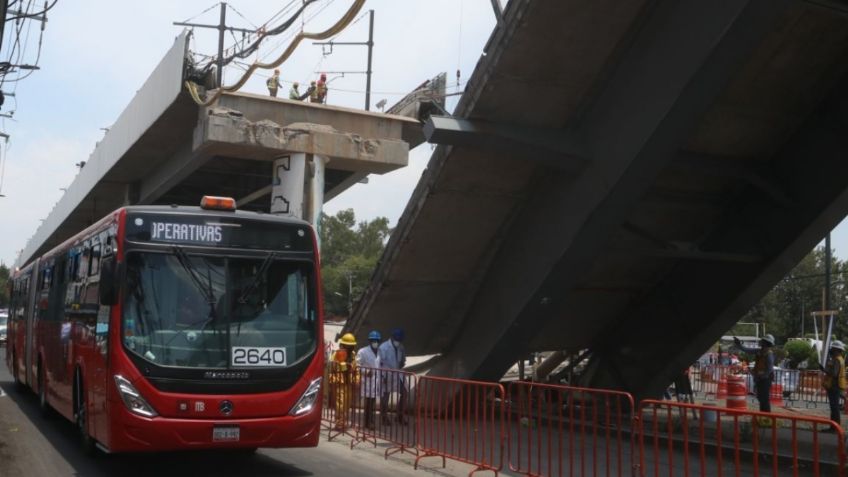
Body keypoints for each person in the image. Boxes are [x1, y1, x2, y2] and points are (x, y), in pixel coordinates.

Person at [733, 334, 776, 412]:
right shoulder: (759, 351)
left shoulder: (769, 354)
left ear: (766, 343)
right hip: (760, 378)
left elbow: (769, 368)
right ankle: (763, 415)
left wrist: (763, 376)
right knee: (760, 397)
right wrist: (739, 344)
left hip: (765, 379)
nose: (761, 342)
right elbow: (746, 350)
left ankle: (766, 416)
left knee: (764, 398)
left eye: (763, 341)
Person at [379, 328, 407, 425]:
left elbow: (403, 360)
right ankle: (384, 416)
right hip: (387, 374)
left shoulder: (401, 347)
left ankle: (399, 415)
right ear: (392, 337)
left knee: (405, 392)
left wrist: (401, 364)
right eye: (396, 339)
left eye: (399, 340)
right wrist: (383, 375)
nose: (397, 342)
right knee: (386, 395)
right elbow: (379, 363)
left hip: (398, 373)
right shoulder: (383, 347)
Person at [330, 332, 357, 431]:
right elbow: (333, 366)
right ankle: (339, 423)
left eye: (351, 346)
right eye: (347, 346)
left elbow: (355, 367)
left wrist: (356, 379)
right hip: (339, 381)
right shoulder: (337, 353)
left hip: (348, 381)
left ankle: (343, 421)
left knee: (346, 403)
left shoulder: (353, 355)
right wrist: (343, 364)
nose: (349, 348)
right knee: (340, 403)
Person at [356, 330, 382, 430]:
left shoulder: (380, 351)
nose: (375, 342)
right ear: (370, 341)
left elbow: (380, 365)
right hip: (367, 381)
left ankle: (371, 421)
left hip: (376, 381)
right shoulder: (362, 351)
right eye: (373, 340)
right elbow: (357, 366)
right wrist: (366, 372)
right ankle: (367, 422)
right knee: (368, 403)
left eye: (376, 340)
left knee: (373, 402)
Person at [822, 340, 847, 432]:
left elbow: (834, 374)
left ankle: (834, 427)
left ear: (837, 350)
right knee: (834, 407)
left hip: (834, 385)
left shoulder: (836, 360)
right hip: (836, 385)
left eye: (833, 349)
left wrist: (824, 370)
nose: (831, 350)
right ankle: (835, 427)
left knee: (834, 407)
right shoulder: (840, 359)